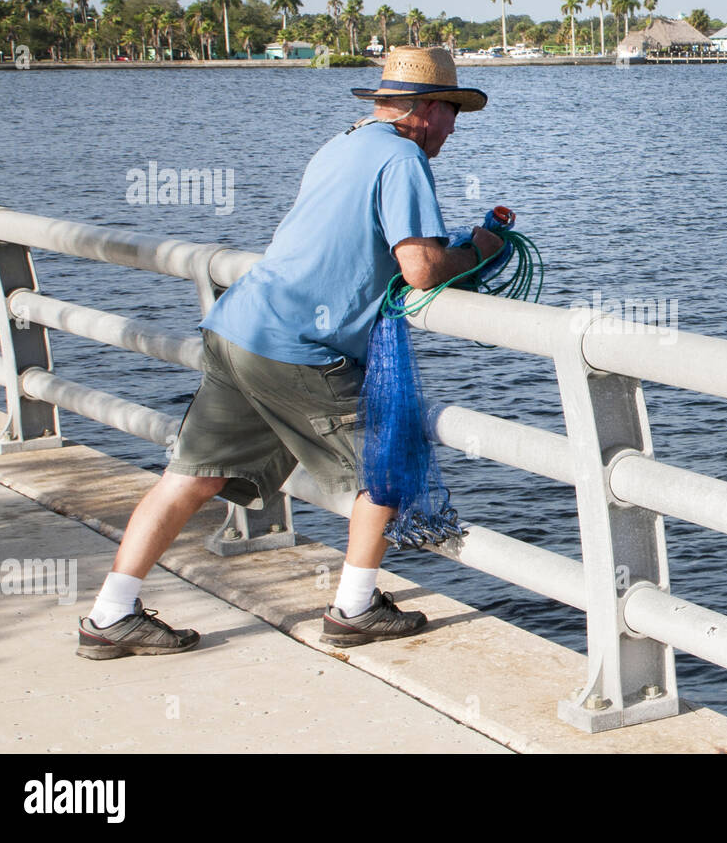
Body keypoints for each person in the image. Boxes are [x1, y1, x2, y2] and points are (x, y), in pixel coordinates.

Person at [76, 46, 503, 659]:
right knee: (389, 460)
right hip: (298, 347)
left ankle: (109, 615)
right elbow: (421, 269)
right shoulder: (404, 157)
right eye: (453, 112)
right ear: (427, 110)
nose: (454, 128)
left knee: (189, 477)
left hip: (238, 327)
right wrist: (482, 249)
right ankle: (354, 609)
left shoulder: (343, 144)